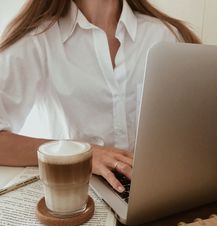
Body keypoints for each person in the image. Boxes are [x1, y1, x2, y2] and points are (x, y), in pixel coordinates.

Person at [0, 0, 200, 192]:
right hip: (76, 196)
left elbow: (197, 129)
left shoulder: (165, 36)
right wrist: (77, 154)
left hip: (153, 192)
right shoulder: (36, 40)